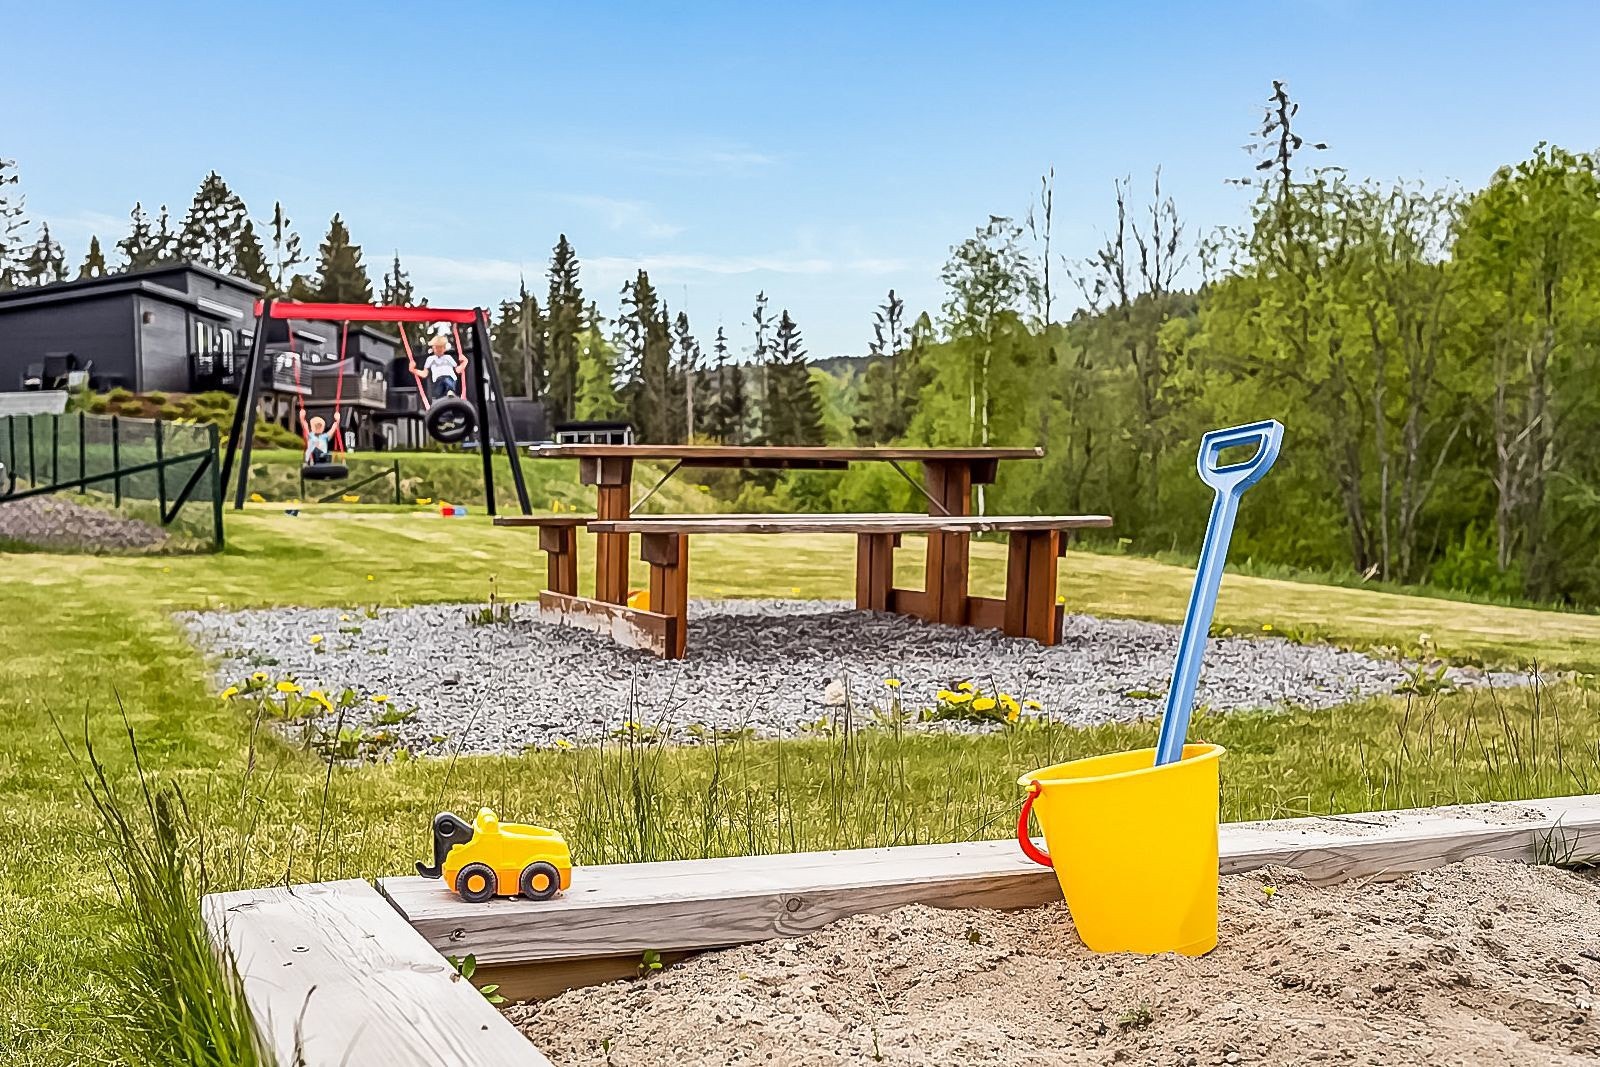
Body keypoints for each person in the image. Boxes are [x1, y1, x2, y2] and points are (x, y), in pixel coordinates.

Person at [422, 335, 467, 402]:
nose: (439, 349)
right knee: (439, 392)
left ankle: (450, 392)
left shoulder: (448, 357)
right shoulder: (430, 359)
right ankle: (440, 400)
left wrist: (465, 362)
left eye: (441, 347)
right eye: (437, 347)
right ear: (433, 348)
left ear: (444, 348)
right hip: (438, 380)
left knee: (447, 380)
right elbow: (424, 374)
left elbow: (458, 370)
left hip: (450, 379)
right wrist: (413, 370)